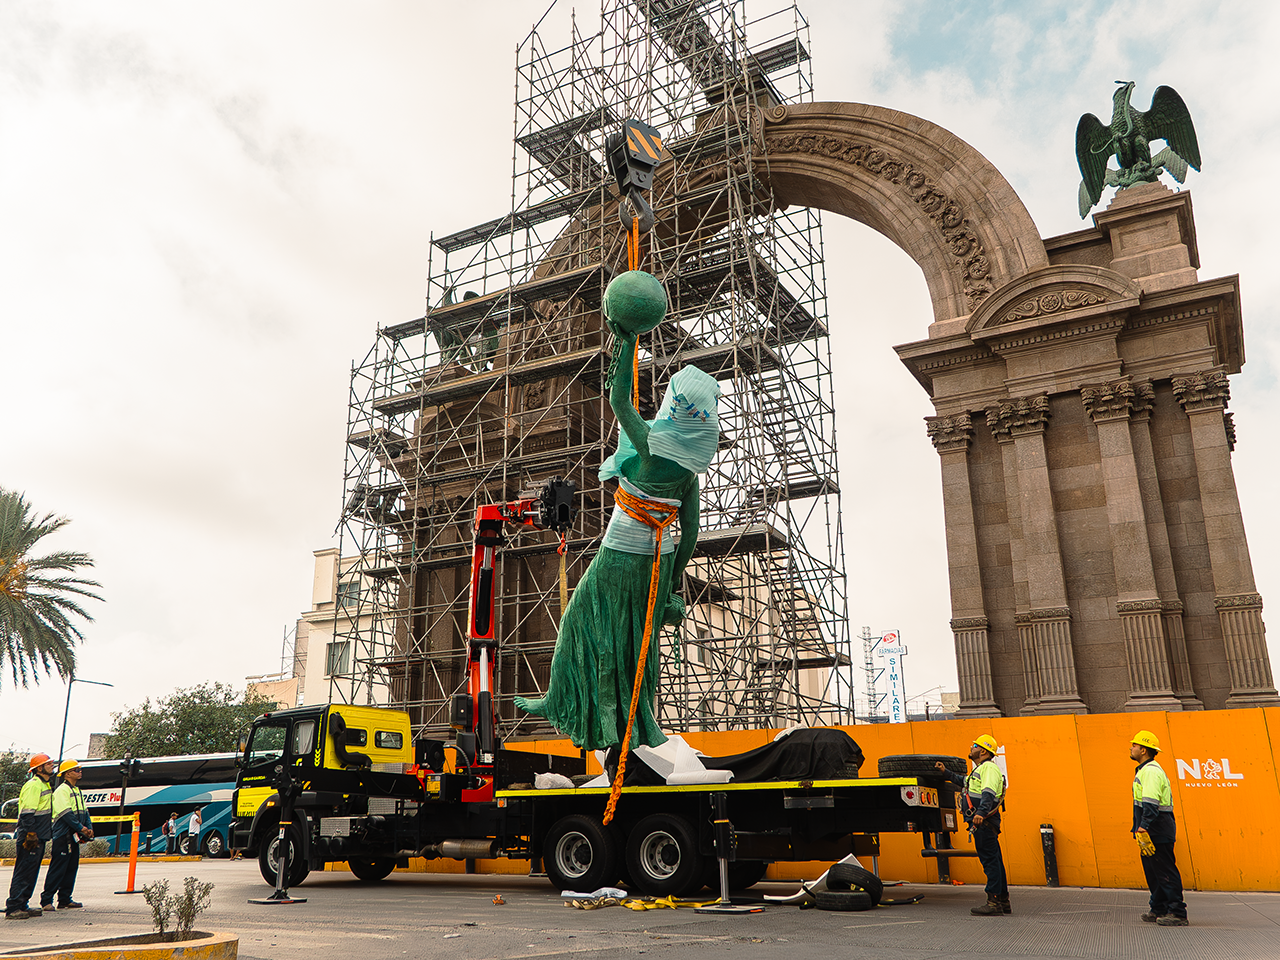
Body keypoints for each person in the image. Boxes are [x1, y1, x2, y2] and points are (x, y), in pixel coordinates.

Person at [516, 270, 720, 756]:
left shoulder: (650, 446)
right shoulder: (688, 473)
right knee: (638, 643)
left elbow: (617, 398)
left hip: (620, 555)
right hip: (658, 564)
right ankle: (641, 721)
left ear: (673, 408)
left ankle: (559, 699)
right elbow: (690, 534)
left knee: (581, 622)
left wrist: (625, 341)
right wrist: (671, 583)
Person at [936, 734, 1008, 916]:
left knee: (990, 862)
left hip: (984, 822)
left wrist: (980, 813)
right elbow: (964, 782)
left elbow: (988, 793)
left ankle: (993, 903)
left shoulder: (989, 768)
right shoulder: (980, 770)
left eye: (975, 745)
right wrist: (945, 772)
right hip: (985, 822)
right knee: (995, 861)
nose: (971, 747)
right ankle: (1002, 901)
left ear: (983, 751)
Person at [1130, 730, 1188, 926]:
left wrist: (1144, 826)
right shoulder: (1144, 770)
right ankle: (1159, 908)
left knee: (1164, 871)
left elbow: (1151, 803)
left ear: (1143, 750)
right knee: (1154, 872)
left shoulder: (1151, 771)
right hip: (1151, 830)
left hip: (1157, 829)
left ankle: (1177, 912)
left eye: (1134, 745)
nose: (1131, 748)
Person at [5, 753, 56, 920]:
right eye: (48, 764)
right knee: (24, 871)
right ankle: (14, 907)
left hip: (38, 835)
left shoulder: (44, 785)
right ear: (39, 768)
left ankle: (22, 904)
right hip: (30, 836)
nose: (52, 765)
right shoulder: (34, 785)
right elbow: (27, 813)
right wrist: (31, 833)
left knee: (31, 872)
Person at [40, 759, 93, 912]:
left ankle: (64, 899)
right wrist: (81, 828)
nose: (80, 772)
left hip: (74, 835)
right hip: (63, 836)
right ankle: (46, 900)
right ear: (67, 774)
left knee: (71, 868)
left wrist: (89, 828)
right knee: (58, 868)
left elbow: (85, 812)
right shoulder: (62, 790)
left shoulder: (77, 790)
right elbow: (66, 814)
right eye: (76, 770)